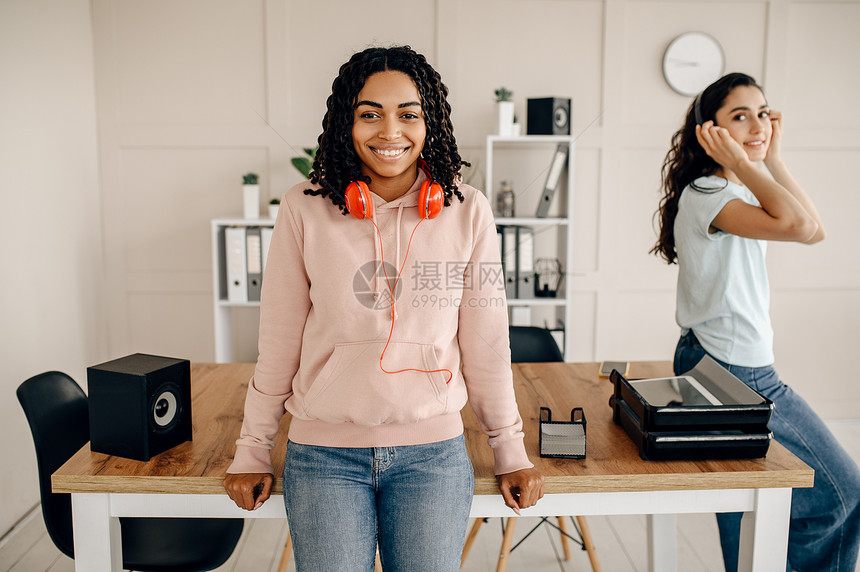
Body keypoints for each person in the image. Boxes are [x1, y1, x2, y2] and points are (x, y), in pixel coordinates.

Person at [223, 45, 544, 571]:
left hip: (433, 458)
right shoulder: (304, 208)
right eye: (369, 114)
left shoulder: (469, 211)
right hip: (322, 458)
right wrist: (253, 448)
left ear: (430, 122)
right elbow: (279, 340)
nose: (389, 132)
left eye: (408, 115)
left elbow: (487, 343)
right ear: (345, 124)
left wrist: (509, 450)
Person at [653, 72, 860, 571]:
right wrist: (748, 163)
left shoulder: (729, 189)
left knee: (744, 497)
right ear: (709, 131)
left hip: (721, 359)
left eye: (763, 113)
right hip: (734, 368)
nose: (757, 124)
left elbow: (815, 231)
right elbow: (799, 225)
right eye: (739, 116)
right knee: (844, 493)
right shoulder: (710, 193)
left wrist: (772, 161)